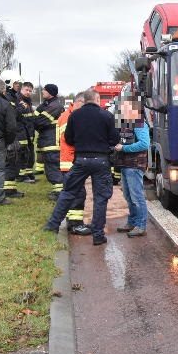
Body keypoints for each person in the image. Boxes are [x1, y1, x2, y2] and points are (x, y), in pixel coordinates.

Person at [43, 88, 120, 245]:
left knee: (68, 192)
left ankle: (52, 225)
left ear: (84, 100)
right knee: (100, 198)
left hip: (80, 160)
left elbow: (69, 139)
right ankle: (98, 235)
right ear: (97, 100)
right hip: (101, 161)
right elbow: (114, 139)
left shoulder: (74, 116)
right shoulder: (107, 116)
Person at [114, 95, 150, 237]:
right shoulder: (125, 122)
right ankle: (133, 222)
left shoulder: (139, 123)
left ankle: (140, 225)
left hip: (135, 165)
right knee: (129, 196)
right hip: (125, 164)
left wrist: (123, 148)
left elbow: (144, 144)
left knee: (136, 196)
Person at [58, 92, 91, 236]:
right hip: (70, 161)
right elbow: (70, 139)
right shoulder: (69, 117)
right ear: (78, 102)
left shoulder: (68, 115)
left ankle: (73, 222)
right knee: (77, 193)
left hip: (68, 160)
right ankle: (75, 224)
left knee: (75, 192)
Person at [34, 84, 64, 199]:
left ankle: (59, 193)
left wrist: (35, 120)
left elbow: (38, 122)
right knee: (50, 168)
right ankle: (58, 191)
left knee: (53, 167)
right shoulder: (47, 105)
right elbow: (34, 117)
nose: (42, 91)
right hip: (48, 141)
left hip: (52, 142)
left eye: (44, 90)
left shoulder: (55, 106)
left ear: (50, 92)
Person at [2, 80, 25, 198]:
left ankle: (11, 189)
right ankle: (8, 190)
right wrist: (20, 108)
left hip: (13, 133)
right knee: (10, 159)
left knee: (13, 160)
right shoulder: (8, 98)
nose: (18, 86)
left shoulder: (13, 96)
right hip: (9, 134)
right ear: (9, 84)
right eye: (16, 84)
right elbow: (12, 115)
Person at [18, 82, 37, 183]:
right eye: (26, 90)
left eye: (30, 90)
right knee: (22, 154)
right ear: (21, 89)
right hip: (21, 132)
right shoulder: (18, 100)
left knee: (30, 155)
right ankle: (21, 176)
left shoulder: (28, 101)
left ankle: (29, 174)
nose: (28, 92)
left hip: (29, 132)